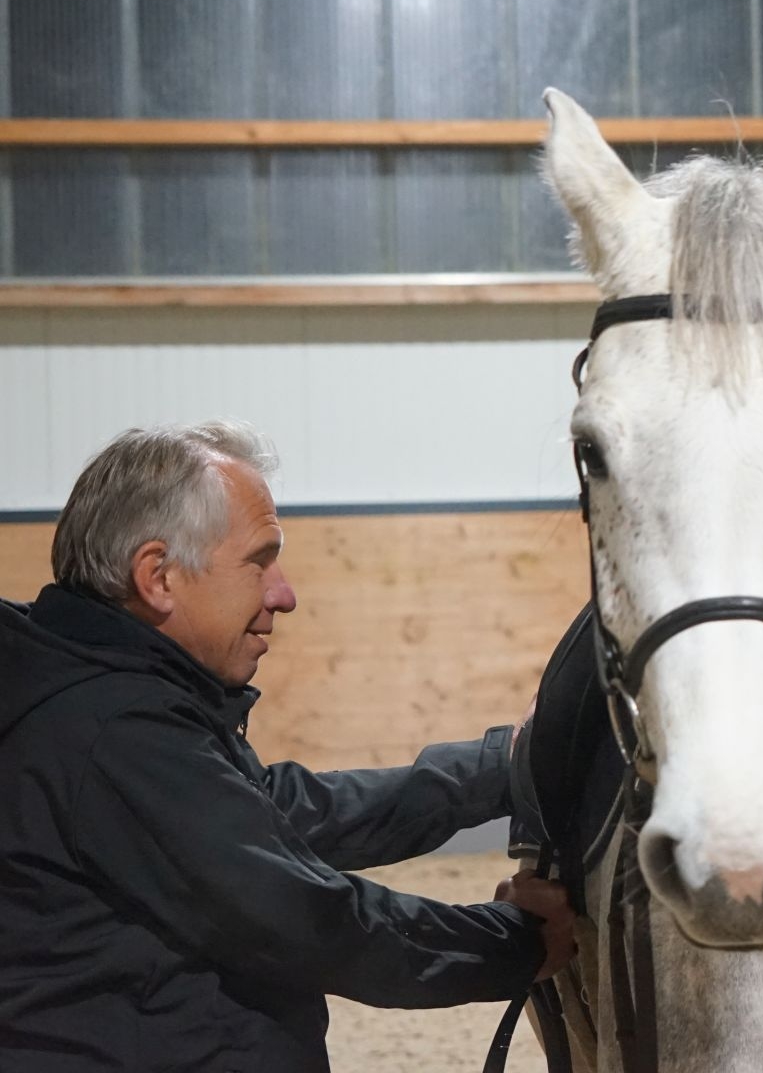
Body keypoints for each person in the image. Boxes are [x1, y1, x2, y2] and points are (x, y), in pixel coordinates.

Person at [0, 421, 573, 1072]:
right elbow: (301, 919)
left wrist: (501, 767)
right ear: (158, 577)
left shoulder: (109, 695)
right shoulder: (114, 729)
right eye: (259, 560)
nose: (284, 593)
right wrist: (511, 943)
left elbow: (278, 815)